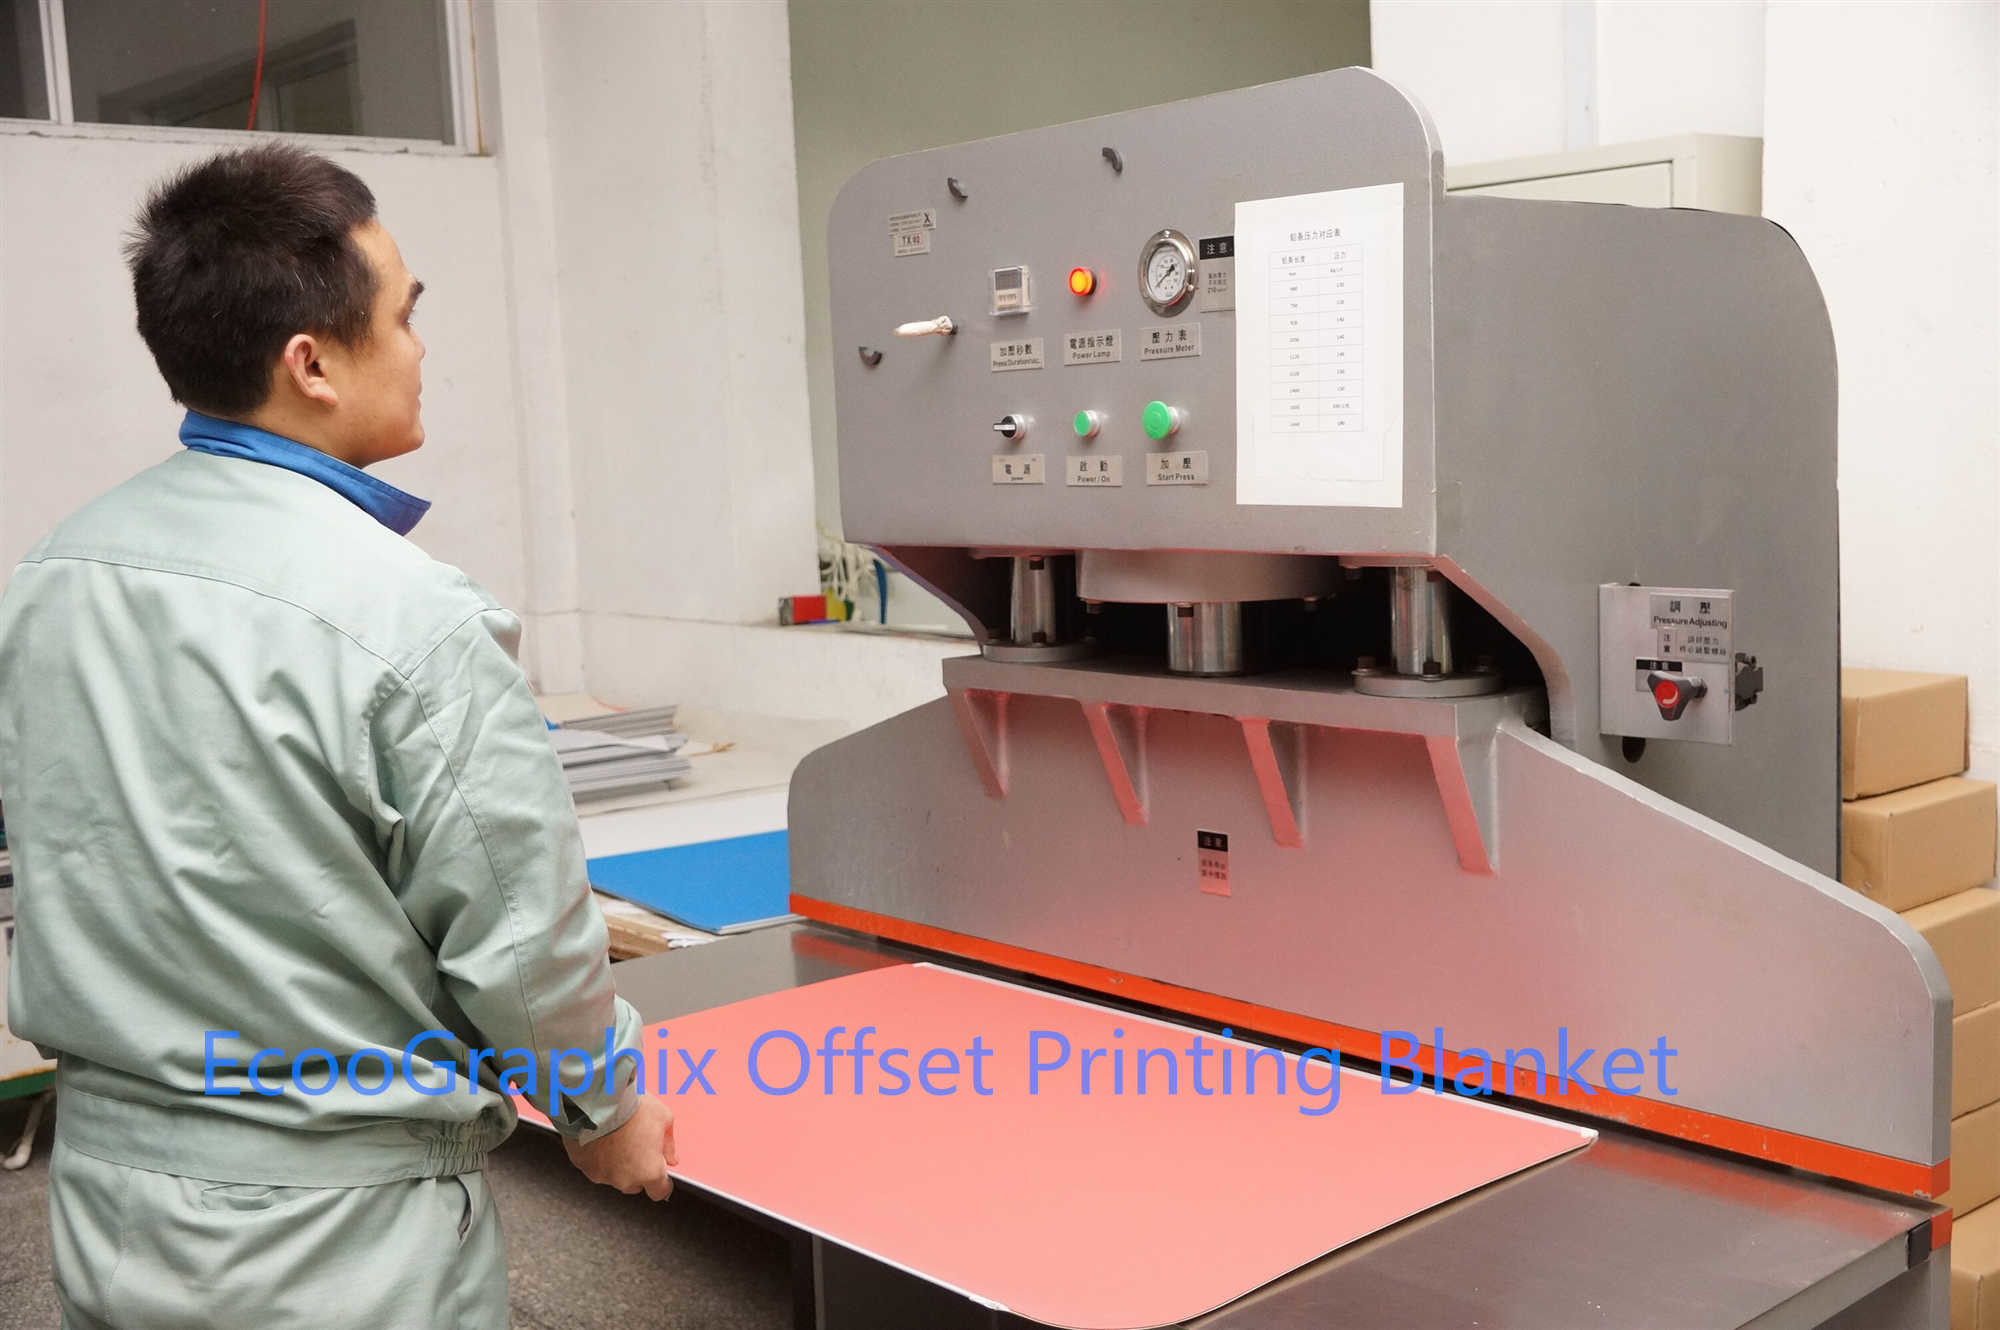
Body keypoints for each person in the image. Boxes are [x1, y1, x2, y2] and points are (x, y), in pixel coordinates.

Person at [0, 142, 674, 1328]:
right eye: (404, 316)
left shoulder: (48, 577)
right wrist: (603, 1107)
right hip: (335, 1240)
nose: (419, 349)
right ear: (310, 362)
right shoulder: (409, 615)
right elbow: (521, 941)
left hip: (108, 1210)